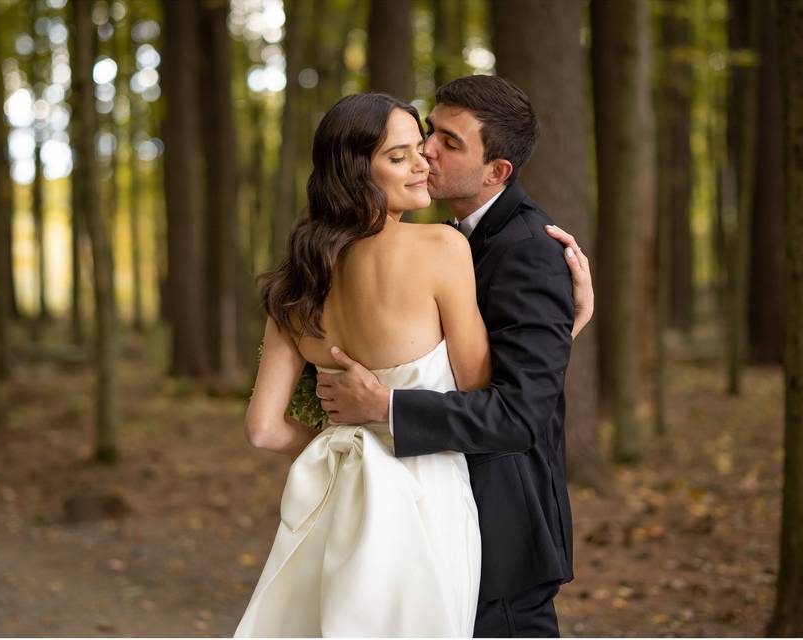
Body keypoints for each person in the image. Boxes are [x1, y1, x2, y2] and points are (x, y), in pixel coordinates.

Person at [235, 90, 590, 637]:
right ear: (357, 173)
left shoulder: (296, 281)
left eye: (442, 143)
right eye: (407, 149)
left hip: (347, 505)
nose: (425, 154)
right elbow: (480, 385)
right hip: (434, 504)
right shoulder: (442, 248)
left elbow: (262, 430)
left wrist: (354, 439)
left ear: (497, 171)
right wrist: (569, 326)